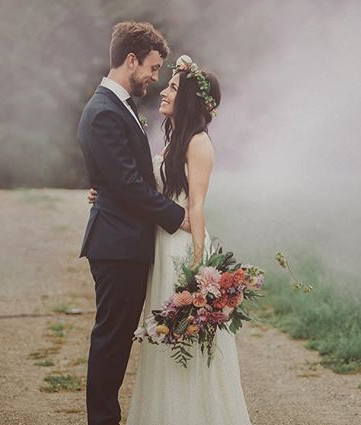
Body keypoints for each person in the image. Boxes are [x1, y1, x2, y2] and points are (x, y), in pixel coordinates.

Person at [86, 53, 252, 424]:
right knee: (166, 341)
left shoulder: (198, 143)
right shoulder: (176, 138)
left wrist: (197, 273)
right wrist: (104, 192)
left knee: (185, 340)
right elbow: (140, 185)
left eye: (173, 87)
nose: (164, 90)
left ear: (189, 99)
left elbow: (196, 207)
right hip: (163, 245)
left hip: (181, 248)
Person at [77, 22, 190, 425]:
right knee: (110, 339)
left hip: (125, 241)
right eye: (153, 67)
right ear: (131, 60)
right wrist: (180, 218)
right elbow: (126, 183)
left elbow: (123, 177)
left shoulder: (120, 106)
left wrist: (104, 188)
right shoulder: (104, 111)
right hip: (116, 245)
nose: (154, 77)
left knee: (116, 337)